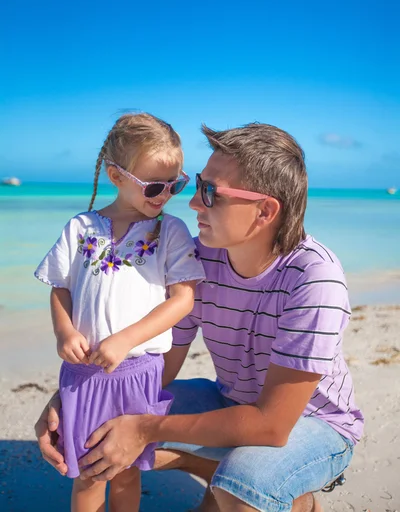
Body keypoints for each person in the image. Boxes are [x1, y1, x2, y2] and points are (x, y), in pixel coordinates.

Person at [36, 122, 364, 512]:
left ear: (265, 211)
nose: (192, 204)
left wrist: (142, 429)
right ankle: (223, 470)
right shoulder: (200, 258)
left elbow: (272, 426)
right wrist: (71, 401)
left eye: (211, 193)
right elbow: (162, 367)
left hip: (313, 425)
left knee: (242, 487)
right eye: (196, 186)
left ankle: (282, 492)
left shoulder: (315, 279)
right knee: (100, 435)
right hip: (229, 401)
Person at [33, 112, 206, 512]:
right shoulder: (80, 228)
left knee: (126, 471)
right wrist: (63, 332)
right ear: (116, 175)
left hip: (136, 373)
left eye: (175, 185)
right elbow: (61, 287)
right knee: (89, 472)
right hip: (84, 374)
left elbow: (182, 300)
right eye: (155, 186)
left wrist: (126, 339)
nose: (165, 196)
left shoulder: (171, 232)